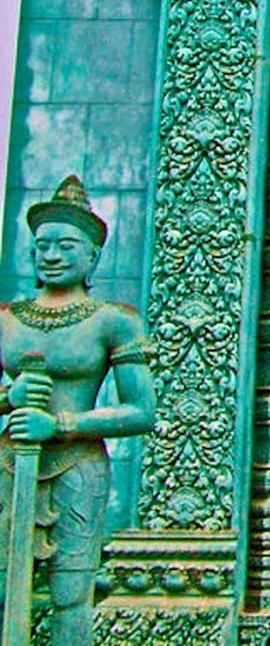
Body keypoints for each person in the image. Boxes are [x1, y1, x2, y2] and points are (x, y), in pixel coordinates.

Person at [0, 176, 156, 645]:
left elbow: (142, 411)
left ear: (93, 256)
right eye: (42, 245)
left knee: (71, 591)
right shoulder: (7, 319)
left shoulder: (113, 320)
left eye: (66, 245)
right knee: (5, 585)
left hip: (77, 466)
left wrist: (61, 424)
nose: (51, 255)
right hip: (9, 461)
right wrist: (10, 398)